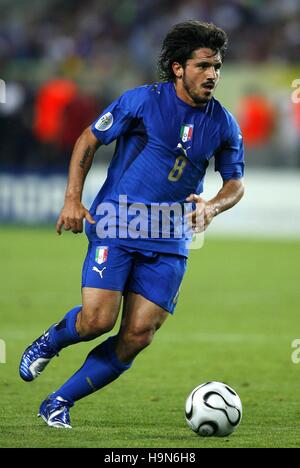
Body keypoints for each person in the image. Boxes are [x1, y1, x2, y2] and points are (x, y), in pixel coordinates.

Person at [19, 21, 244, 429]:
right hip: (118, 222)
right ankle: (50, 341)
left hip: (171, 235)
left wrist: (212, 206)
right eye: (204, 65)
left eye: (218, 66)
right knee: (97, 321)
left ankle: (58, 401)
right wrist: (72, 198)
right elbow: (88, 140)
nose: (213, 75)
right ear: (178, 68)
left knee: (138, 334)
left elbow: (235, 183)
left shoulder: (224, 123)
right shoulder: (141, 102)